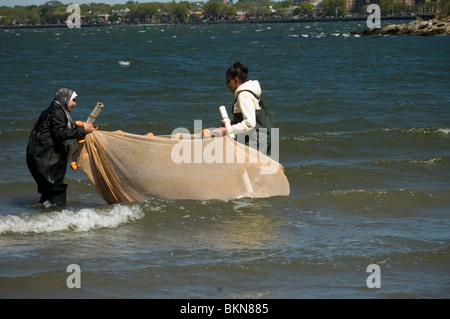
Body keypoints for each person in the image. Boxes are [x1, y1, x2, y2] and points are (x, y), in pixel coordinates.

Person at [26, 88, 95, 208]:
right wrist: (83, 130)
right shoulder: (58, 112)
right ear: (65, 99)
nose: (75, 103)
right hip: (44, 159)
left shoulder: (52, 110)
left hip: (38, 157)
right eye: (73, 100)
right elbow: (61, 133)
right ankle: (58, 216)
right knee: (56, 187)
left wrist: (65, 146)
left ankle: (44, 214)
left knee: (49, 189)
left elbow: (52, 134)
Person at [217, 61, 274, 155]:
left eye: (228, 81)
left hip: (255, 142)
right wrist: (232, 123)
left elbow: (250, 123)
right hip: (263, 139)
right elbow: (253, 119)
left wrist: (227, 130)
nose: (227, 84)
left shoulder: (244, 95)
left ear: (236, 80)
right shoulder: (250, 93)